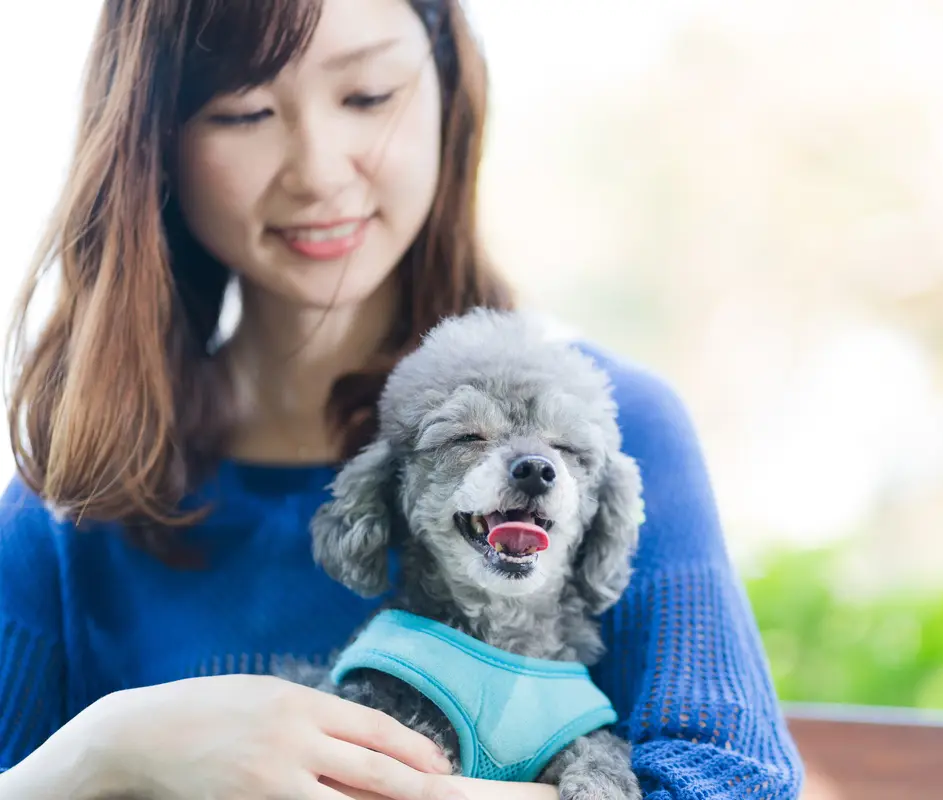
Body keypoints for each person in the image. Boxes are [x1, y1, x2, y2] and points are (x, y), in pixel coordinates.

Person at [0, 0, 804, 798]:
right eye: (244, 111)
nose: (317, 169)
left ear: (449, 93)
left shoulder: (615, 431)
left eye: (368, 97)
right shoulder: (79, 487)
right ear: (153, 139)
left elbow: (736, 785)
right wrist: (108, 750)